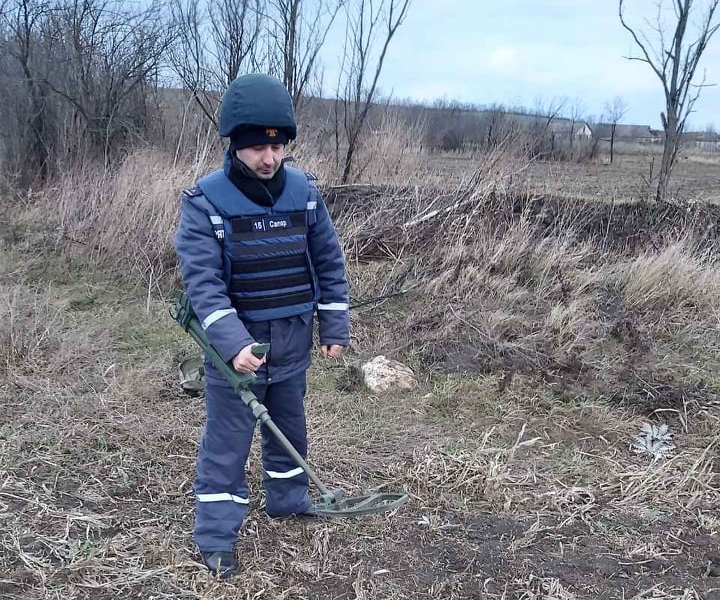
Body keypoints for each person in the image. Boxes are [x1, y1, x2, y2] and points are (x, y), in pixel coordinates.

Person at [174, 73, 349, 579]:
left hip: (293, 341)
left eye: (277, 147)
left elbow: (329, 263)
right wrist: (232, 346)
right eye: (256, 148)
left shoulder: (305, 194)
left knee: (290, 428)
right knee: (228, 444)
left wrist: (334, 328)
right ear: (234, 145)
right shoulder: (204, 202)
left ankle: (289, 499)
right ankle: (216, 537)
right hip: (239, 354)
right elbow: (203, 285)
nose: (268, 158)